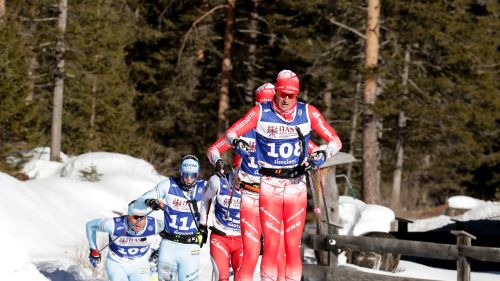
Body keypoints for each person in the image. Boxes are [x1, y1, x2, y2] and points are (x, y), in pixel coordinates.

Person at [208, 70, 342, 281]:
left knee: (285, 249)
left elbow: (315, 146)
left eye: (289, 95)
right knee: (254, 253)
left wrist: (321, 155)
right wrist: (222, 163)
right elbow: (216, 147)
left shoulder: (301, 115)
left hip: (287, 188)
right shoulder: (254, 119)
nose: (282, 102)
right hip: (254, 194)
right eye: (273, 98)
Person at [135, 155, 208, 281]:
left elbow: (226, 190)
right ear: (180, 172)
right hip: (169, 245)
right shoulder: (168, 185)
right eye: (186, 175)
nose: (189, 179)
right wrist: (150, 202)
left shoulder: (204, 187)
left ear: (198, 174)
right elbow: (139, 202)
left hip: (191, 247)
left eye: (193, 175)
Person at [86, 200, 164, 281]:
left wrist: (161, 250)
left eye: (143, 217)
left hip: (140, 265)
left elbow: (174, 230)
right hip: (116, 264)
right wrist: (93, 249)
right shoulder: (114, 225)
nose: (139, 221)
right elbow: (90, 226)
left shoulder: (154, 225)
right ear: (129, 216)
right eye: (135, 217)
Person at [200, 172, 242, 281]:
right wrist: (202, 224)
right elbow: (205, 198)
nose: (242, 179)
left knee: (242, 277)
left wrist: (261, 235)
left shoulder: (255, 184)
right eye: (240, 173)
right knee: (222, 277)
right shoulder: (218, 181)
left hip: (243, 240)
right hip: (220, 237)